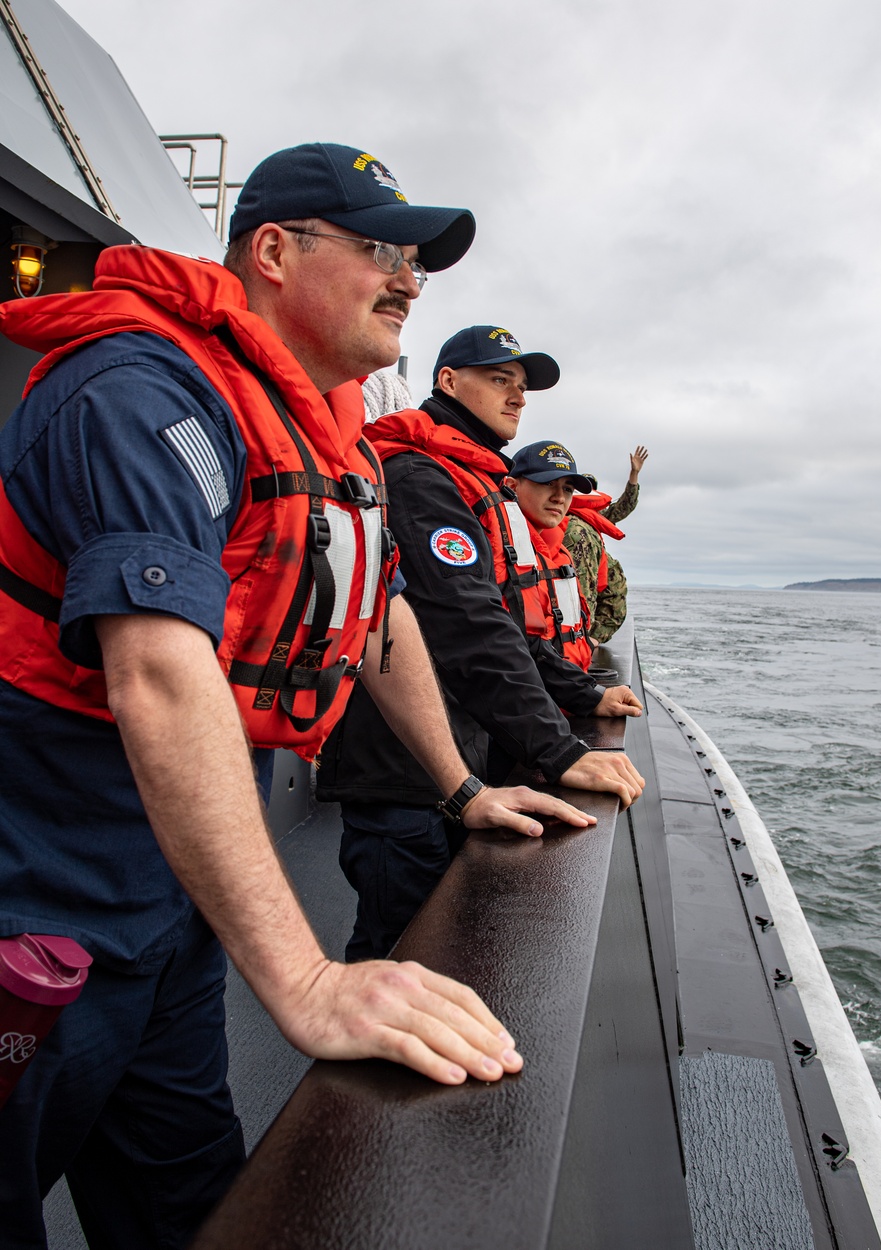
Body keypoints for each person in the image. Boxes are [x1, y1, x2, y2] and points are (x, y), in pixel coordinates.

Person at [0, 144, 594, 1249]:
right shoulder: (141, 389)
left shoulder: (331, 432)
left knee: (187, 1190)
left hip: (178, 884)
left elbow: (380, 616)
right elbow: (158, 671)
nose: (410, 280)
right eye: (380, 249)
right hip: (39, 869)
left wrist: (462, 786)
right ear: (274, 250)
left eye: (416, 262)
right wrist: (310, 976)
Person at [318, 325, 645, 962]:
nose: (517, 398)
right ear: (447, 381)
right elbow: (465, 620)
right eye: (500, 380)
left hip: (449, 749)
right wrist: (559, 751)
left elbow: (506, 620)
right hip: (401, 766)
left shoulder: (474, 479)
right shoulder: (420, 476)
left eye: (522, 388)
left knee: (443, 939)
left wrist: (583, 692)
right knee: (401, 947)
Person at [505, 439, 596, 671]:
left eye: (567, 489)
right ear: (512, 486)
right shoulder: (497, 552)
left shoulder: (558, 552)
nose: (560, 497)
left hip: (569, 692)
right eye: (547, 483)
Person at [563, 445, 649, 644]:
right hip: (568, 567)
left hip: (595, 566)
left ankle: (590, 638)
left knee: (613, 588)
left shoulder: (597, 514)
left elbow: (623, 507)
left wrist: (634, 475)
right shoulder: (560, 509)